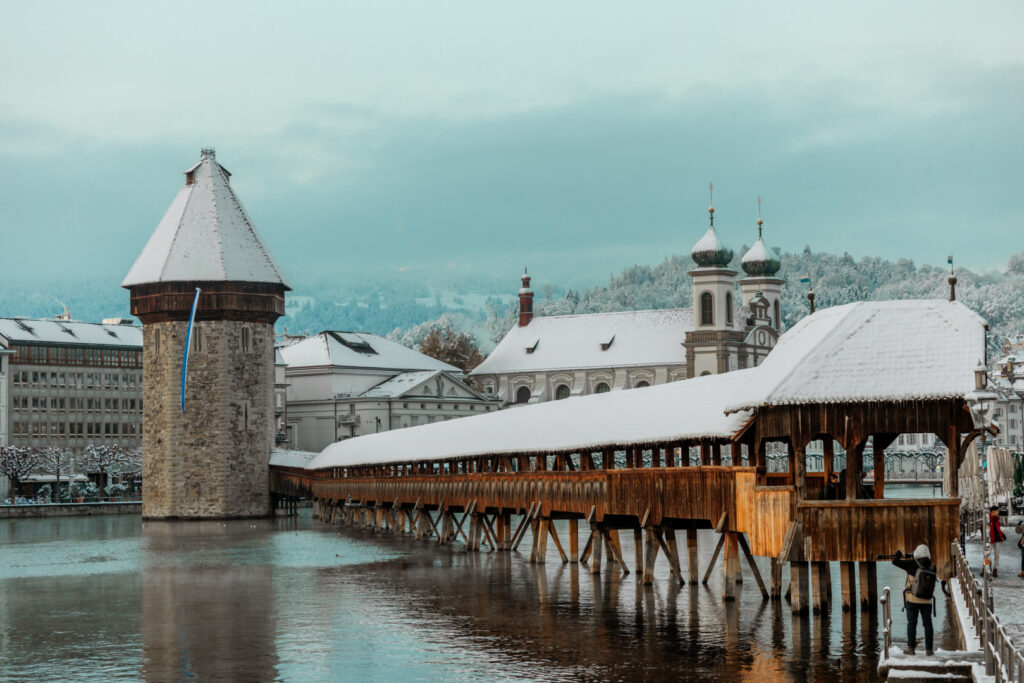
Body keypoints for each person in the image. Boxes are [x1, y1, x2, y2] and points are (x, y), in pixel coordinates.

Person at [892, 544, 938, 656]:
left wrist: (898, 554)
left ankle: (911, 648)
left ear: (916, 554)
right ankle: (929, 650)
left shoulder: (911, 563)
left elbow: (895, 561)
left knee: (912, 623)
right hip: (927, 600)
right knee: (928, 624)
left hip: (912, 599)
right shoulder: (933, 567)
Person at [990, 506, 1006, 578]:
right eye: (997, 511)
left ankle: (995, 569)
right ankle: (985, 568)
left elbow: (998, 529)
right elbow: (983, 528)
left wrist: (1002, 534)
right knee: (987, 555)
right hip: (990, 540)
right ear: (993, 511)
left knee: (997, 555)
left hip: (997, 539)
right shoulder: (988, 519)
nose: (998, 512)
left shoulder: (997, 519)